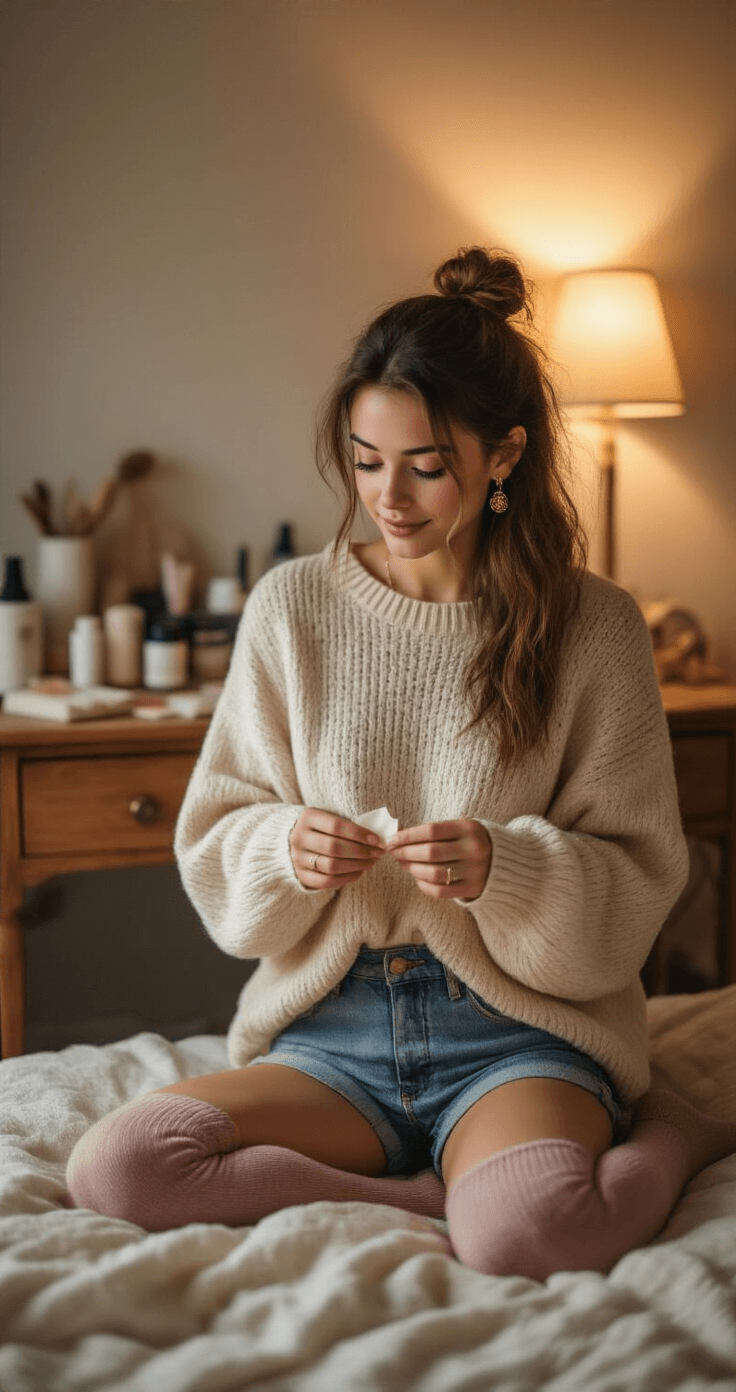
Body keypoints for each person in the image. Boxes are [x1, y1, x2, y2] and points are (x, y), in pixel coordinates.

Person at [66, 248, 736, 1279]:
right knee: (122, 1167)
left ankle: (672, 1132)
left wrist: (506, 869)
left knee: (529, 1237)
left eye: (425, 464)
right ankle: (430, 1198)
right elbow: (215, 833)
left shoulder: (594, 626)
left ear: (504, 453)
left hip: (519, 1031)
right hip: (333, 1032)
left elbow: (643, 873)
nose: (388, 495)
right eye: (365, 459)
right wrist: (287, 845)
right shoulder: (293, 607)